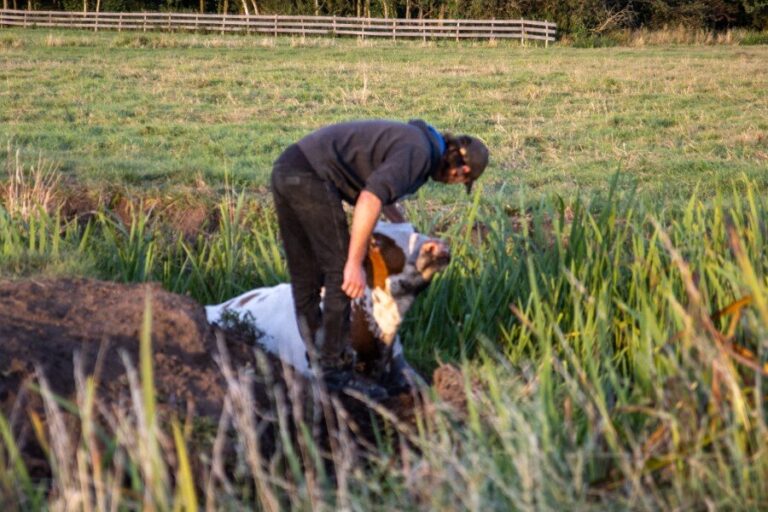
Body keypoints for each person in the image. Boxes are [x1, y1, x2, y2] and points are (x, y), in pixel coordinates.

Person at [270, 119, 489, 399]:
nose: (453, 182)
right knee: (340, 273)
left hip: (287, 169)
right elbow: (370, 199)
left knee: (306, 277)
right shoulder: (419, 154)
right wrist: (353, 262)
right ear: (462, 169)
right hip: (313, 178)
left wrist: (407, 231)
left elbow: (380, 194)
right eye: (461, 180)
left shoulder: (414, 140)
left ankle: (319, 360)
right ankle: (334, 374)